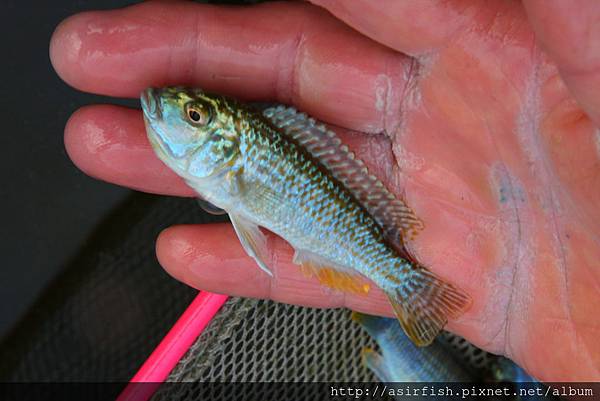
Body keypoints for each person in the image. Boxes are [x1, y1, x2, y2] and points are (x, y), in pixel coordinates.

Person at [50, 0, 600, 382]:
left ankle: (405, 285)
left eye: (194, 114)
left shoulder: (237, 162)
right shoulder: (228, 164)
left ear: (221, 144)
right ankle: (403, 284)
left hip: (355, 241)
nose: (172, 110)